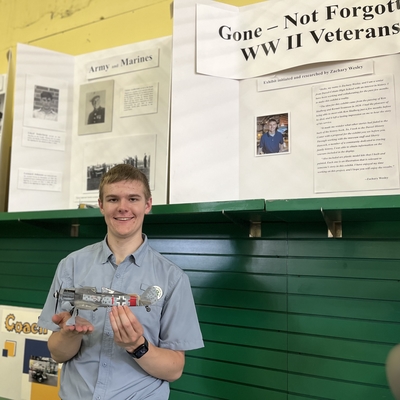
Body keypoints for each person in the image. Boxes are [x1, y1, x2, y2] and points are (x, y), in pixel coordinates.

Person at [37, 164, 204, 400]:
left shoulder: (173, 278)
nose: (123, 207)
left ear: (147, 205)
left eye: (133, 199)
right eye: (113, 199)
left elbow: (175, 369)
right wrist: (69, 334)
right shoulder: (70, 265)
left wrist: (137, 345)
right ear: (101, 205)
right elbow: (57, 353)